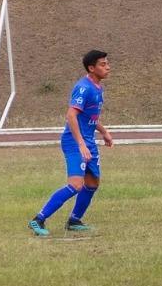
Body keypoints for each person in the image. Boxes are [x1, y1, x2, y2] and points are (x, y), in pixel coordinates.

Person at [29, 50, 114, 236]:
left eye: (107, 63)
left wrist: (104, 131)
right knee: (76, 184)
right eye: (102, 64)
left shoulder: (98, 87)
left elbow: (89, 116)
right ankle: (38, 219)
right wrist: (81, 144)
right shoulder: (83, 88)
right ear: (91, 68)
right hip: (74, 142)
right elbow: (71, 115)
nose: (107, 67)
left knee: (92, 183)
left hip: (88, 141)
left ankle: (74, 221)